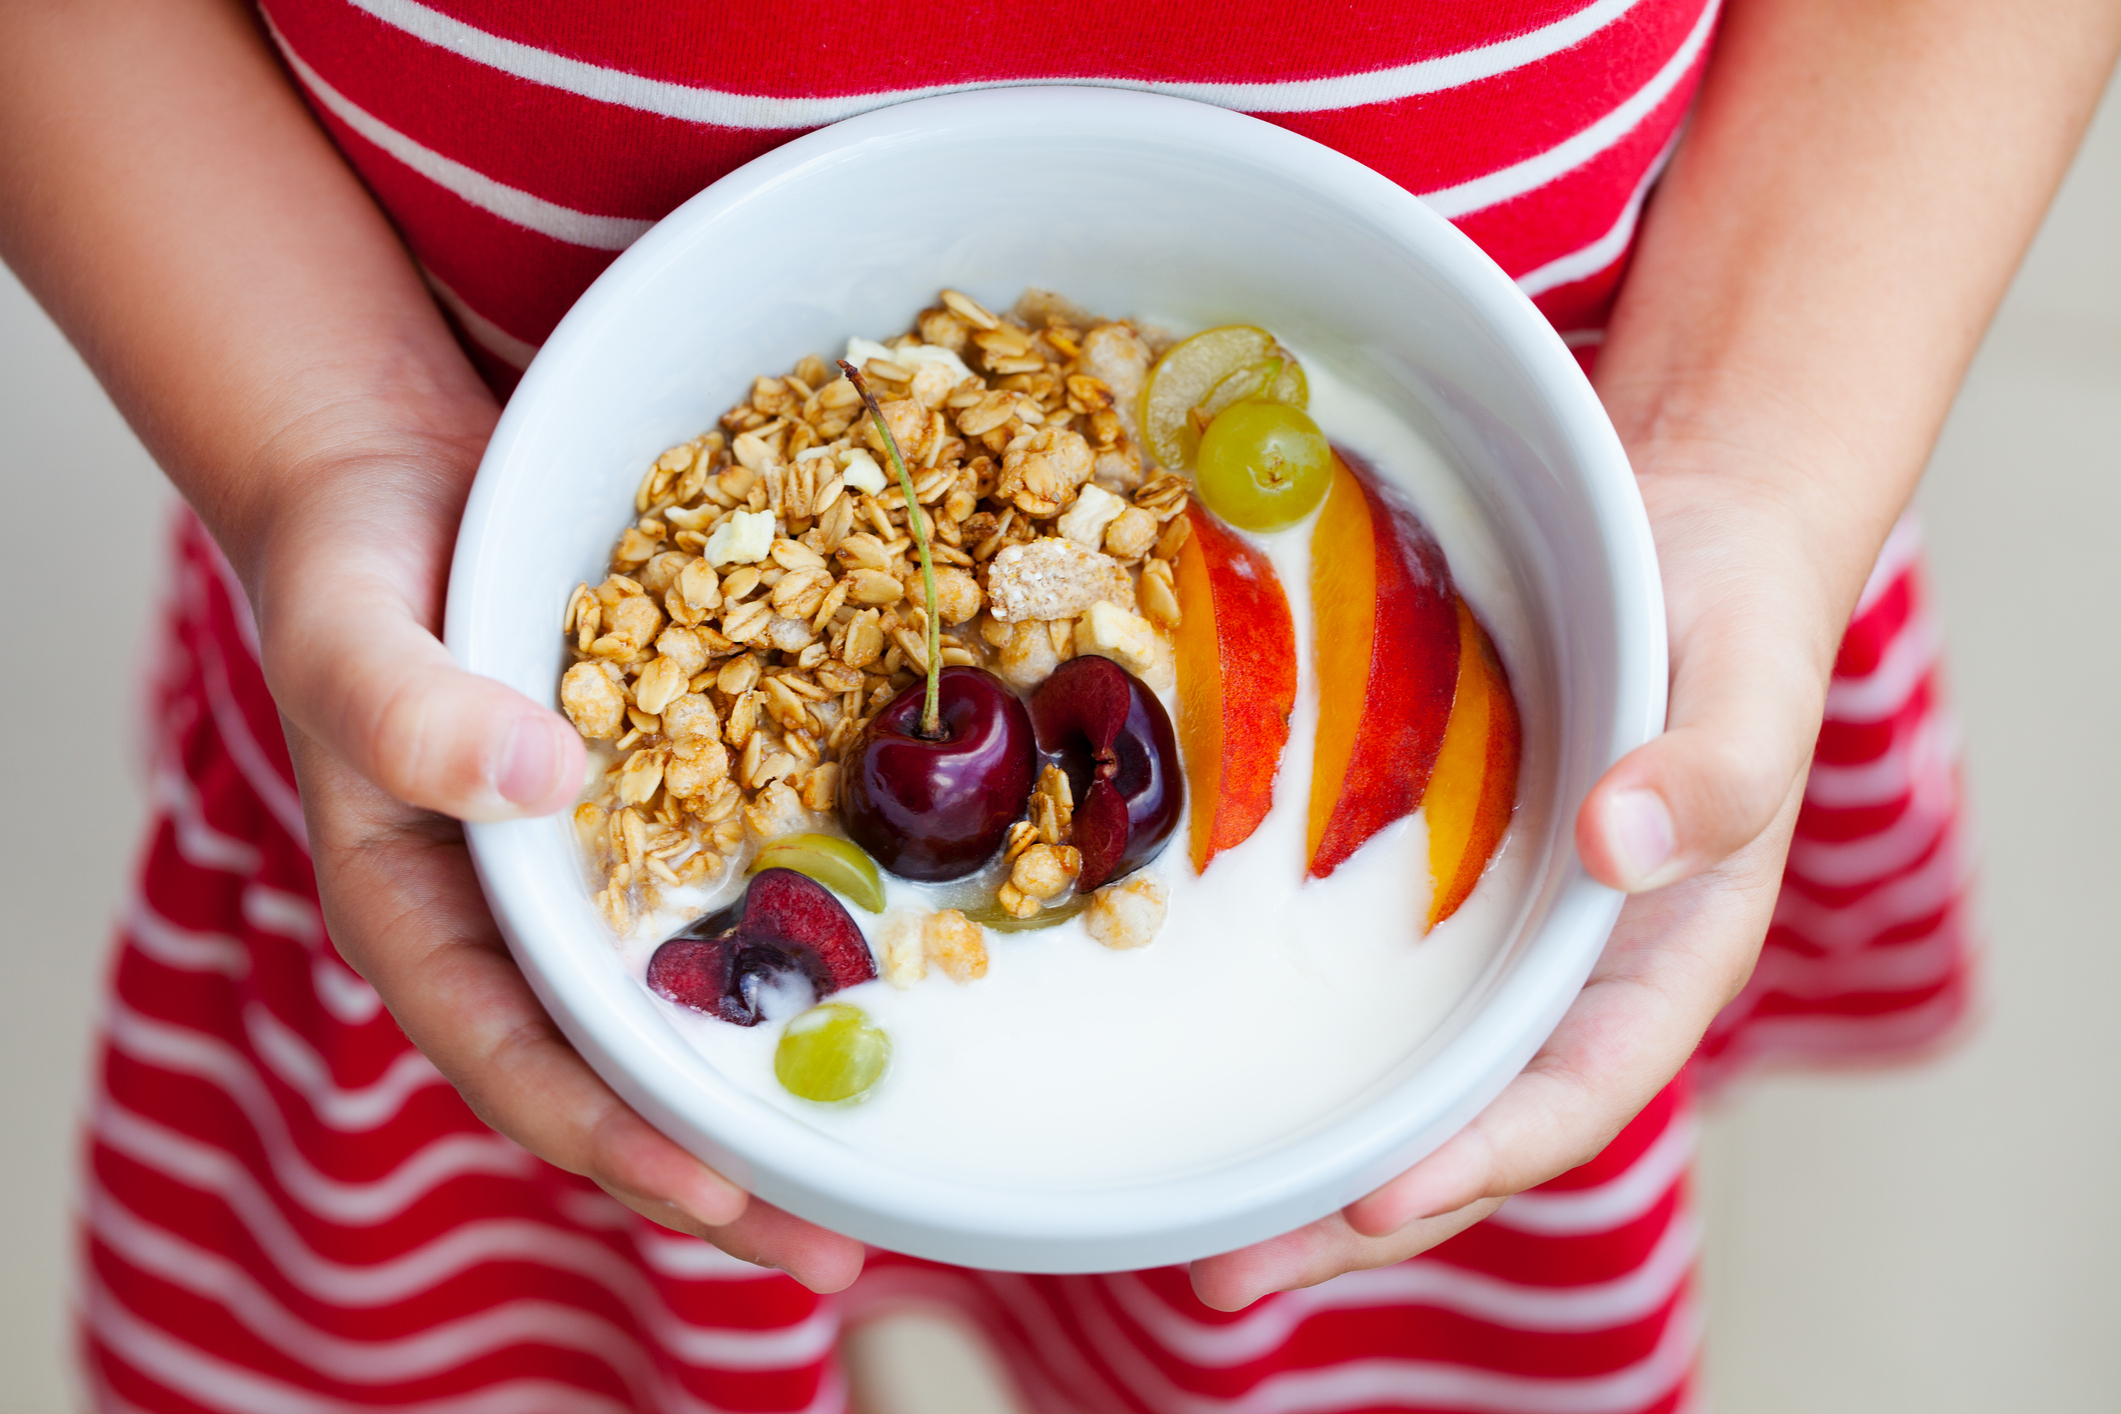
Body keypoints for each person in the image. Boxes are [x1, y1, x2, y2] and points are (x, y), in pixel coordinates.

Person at [3, 0, 2113, 1408]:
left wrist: (1757, 447)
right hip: (486, 675)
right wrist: (316, 440)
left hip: (1558, 615)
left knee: (1341, 1313)